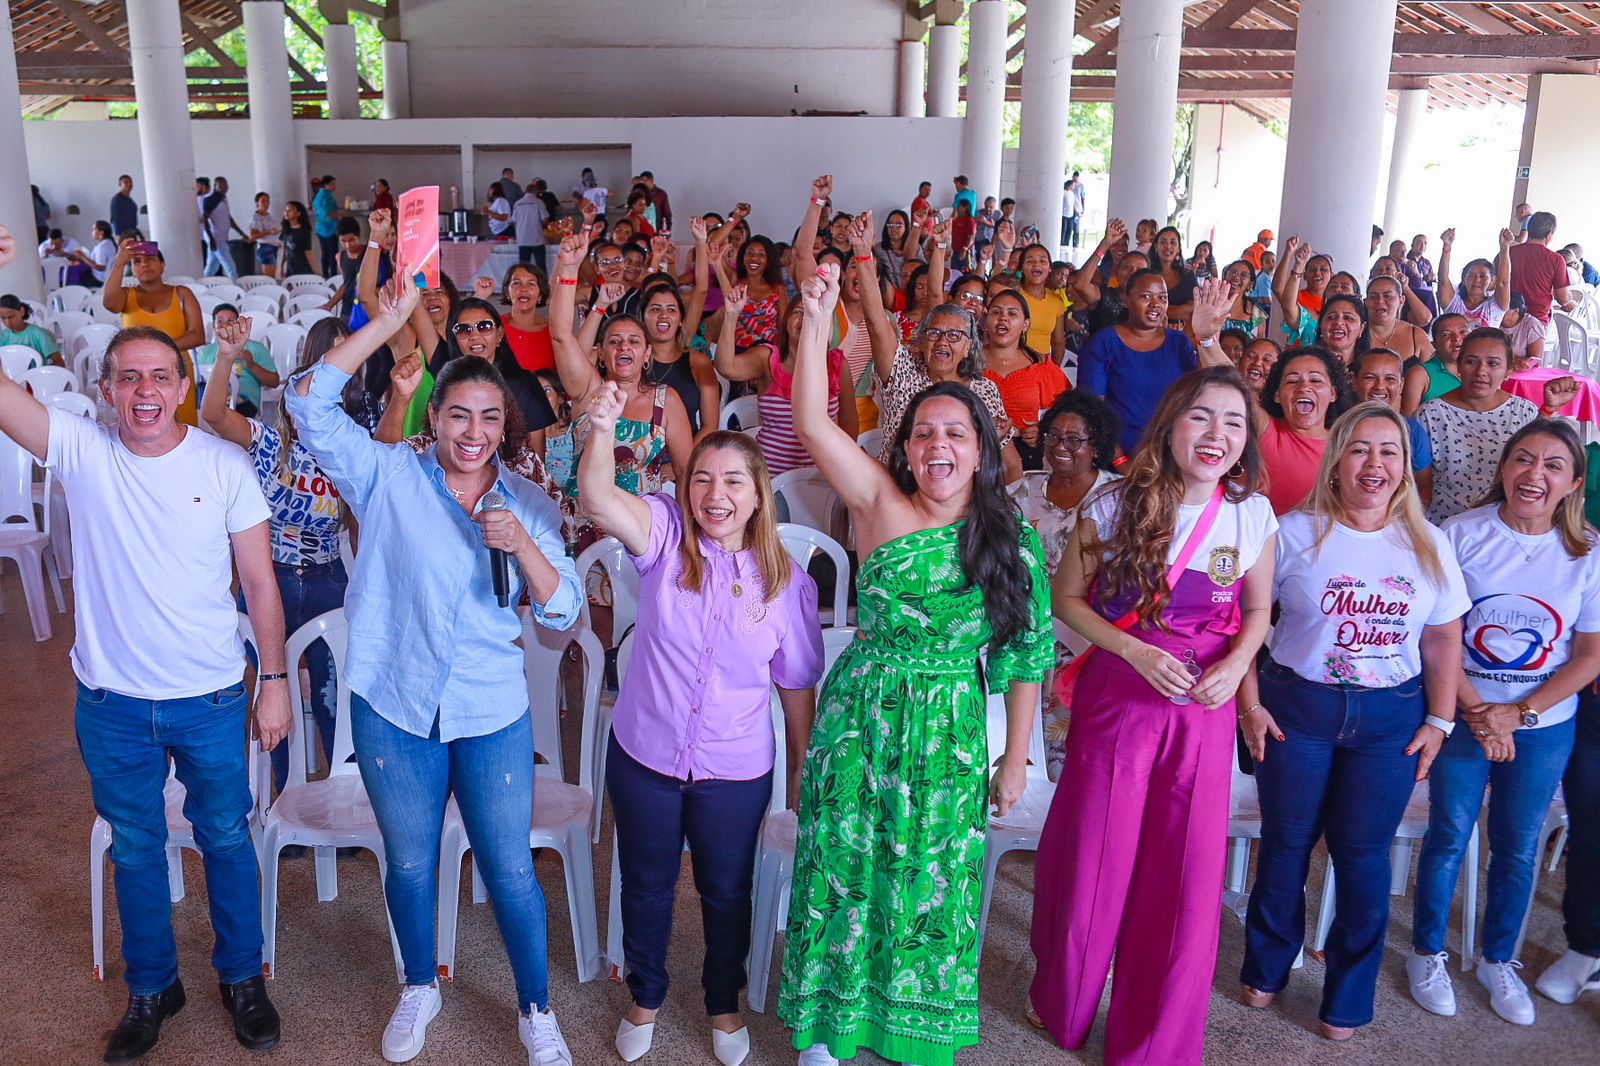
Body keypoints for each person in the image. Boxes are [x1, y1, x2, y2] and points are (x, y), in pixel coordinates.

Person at [285, 275, 582, 1065]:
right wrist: (382, 326)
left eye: (489, 417)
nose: (474, 431)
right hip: (394, 705)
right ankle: (420, 984)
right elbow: (309, 406)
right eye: (458, 414)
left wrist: (520, 545)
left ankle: (535, 1009)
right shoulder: (386, 475)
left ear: (503, 424)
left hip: (489, 712)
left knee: (511, 869)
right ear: (434, 416)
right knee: (411, 862)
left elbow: (564, 611)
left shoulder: (528, 503)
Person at [0, 254, 290, 1060]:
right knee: (135, 847)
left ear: (184, 382)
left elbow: (261, 587)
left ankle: (242, 978)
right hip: (113, 704)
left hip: (209, 698)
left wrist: (272, 683)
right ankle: (153, 987)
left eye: (160, 374)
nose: (145, 391)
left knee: (226, 839)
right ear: (106, 390)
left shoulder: (224, 467)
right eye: (128, 377)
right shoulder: (82, 451)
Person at [778, 261, 1051, 1066]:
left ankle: (912, 1032)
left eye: (955, 434)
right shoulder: (876, 501)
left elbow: (1028, 653)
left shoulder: (1011, 538)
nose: (937, 445)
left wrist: (1013, 762)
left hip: (952, 732)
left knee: (931, 881)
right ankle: (828, 1030)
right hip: (862, 716)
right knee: (845, 866)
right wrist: (817, 320)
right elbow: (811, 421)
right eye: (923, 433)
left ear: (981, 451)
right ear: (905, 446)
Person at [1031, 365, 1277, 1065]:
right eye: (1202, 417)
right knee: (1094, 855)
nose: (1217, 435)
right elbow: (1066, 602)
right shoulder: (1113, 506)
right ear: (1170, 424)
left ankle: (1154, 1041)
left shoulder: (1251, 513)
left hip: (1204, 710)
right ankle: (1066, 1004)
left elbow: (1256, 613)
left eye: (1234, 422)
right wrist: (1133, 652)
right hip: (1121, 701)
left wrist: (1234, 668)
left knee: (1185, 874)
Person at [579, 393, 823, 1066]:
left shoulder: (786, 585)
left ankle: (723, 1003)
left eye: (733, 481)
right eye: (703, 479)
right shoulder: (662, 536)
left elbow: (795, 684)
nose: (716, 494)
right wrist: (601, 431)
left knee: (726, 889)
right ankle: (645, 995)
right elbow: (599, 497)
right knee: (646, 882)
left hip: (735, 769)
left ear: (757, 495)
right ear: (686, 490)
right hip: (646, 755)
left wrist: (801, 771)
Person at [1238, 401, 1469, 1042]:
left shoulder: (1429, 543)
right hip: (1297, 711)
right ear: (1335, 459)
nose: (1374, 464)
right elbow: (1245, 626)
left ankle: (1346, 995)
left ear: (1404, 466)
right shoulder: (1289, 532)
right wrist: (1249, 703)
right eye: (1360, 449)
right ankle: (1266, 966)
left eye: (1389, 451)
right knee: (1284, 848)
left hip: (1389, 720)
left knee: (1363, 857)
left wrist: (1441, 721)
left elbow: (1444, 638)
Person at [1407, 420, 1600, 1027]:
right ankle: (1427, 951)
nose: (1534, 475)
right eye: (1523, 460)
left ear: (1572, 484)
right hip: (1463, 711)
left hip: (1543, 726)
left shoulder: (1587, 552)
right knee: (1449, 835)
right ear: (1503, 468)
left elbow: (1590, 654)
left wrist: (1519, 714)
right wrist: (1478, 712)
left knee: (1516, 847)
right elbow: (1439, 633)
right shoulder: (1459, 535)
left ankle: (1498, 959)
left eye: (1551, 466)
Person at [199, 315, 344, 795]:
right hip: (272, 579)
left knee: (330, 697)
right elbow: (214, 414)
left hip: (328, 580)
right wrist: (227, 357)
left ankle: (338, 793)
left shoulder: (346, 450)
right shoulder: (268, 444)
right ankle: (283, 791)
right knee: (270, 687)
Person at [851, 219, 1022, 482]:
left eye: (954, 335)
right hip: (899, 498)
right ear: (920, 342)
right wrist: (863, 255)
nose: (943, 341)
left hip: (960, 507)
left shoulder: (984, 391)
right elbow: (876, 322)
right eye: (934, 333)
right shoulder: (903, 374)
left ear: (968, 348)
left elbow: (1011, 466)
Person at [550, 231, 691, 547]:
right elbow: (561, 335)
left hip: (642, 531)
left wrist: (688, 540)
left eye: (634, 341)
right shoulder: (589, 391)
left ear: (646, 354)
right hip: (583, 529)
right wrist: (568, 269)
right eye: (614, 341)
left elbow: (685, 472)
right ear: (600, 354)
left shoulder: (666, 400)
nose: (624, 346)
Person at [1009, 390, 1122, 778]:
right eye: (1053, 436)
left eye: (1075, 440)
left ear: (1096, 447)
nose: (1060, 447)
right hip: (1029, 632)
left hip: (1090, 637)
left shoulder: (1119, 499)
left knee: (1083, 754)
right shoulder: (1021, 493)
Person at [1077, 271, 1233, 456]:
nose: (1156, 303)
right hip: (1119, 460)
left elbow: (1211, 390)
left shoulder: (1178, 343)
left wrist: (1207, 338)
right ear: (1126, 300)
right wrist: (1120, 462)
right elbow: (1093, 413)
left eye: (1163, 298)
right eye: (1146, 296)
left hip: (1172, 457)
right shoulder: (1103, 343)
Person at [714, 283, 857, 475]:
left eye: (812, 313)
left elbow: (849, 421)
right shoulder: (766, 358)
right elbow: (726, 368)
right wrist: (731, 316)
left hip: (821, 477)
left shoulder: (837, 364)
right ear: (787, 320)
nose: (805, 318)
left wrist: (843, 468)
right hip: (770, 477)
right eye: (798, 312)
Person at [1416, 328, 1556, 523]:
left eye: (1493, 364)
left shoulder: (1524, 412)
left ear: (1508, 370)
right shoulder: (1430, 414)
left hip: (1506, 526)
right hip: (1446, 524)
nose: (1481, 371)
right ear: (1459, 366)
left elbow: (1539, 467)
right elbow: (1421, 484)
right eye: (1472, 362)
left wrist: (1549, 409)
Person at [102, 239, 206, 426]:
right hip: (135, 371)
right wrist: (119, 263)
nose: (144, 265)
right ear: (131, 269)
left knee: (181, 422)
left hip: (176, 368)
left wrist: (159, 350)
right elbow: (109, 303)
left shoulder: (182, 293)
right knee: (143, 420)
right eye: (137, 262)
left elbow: (198, 335)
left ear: (162, 265)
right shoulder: (126, 296)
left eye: (150, 259)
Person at [1252, 346, 1356, 515]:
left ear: (1333, 393)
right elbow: (1234, 389)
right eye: (1292, 381)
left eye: (1315, 381)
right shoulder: (1266, 430)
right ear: (1277, 395)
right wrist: (1207, 341)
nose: (1304, 387)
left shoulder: (1346, 447)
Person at [982, 289, 1069, 470]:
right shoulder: (968, 362)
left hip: (1026, 456)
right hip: (976, 451)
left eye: (1012, 313)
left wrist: (1044, 428)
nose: (1003, 318)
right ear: (985, 321)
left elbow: (1068, 408)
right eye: (996, 312)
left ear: (1025, 324)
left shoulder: (1040, 364)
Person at [1352, 348, 1434, 509]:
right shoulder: (1338, 427)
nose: (1380, 386)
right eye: (1370, 378)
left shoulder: (1412, 431)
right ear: (1354, 381)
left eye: (1390, 379)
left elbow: (1424, 487)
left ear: (1401, 384)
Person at [1509, 211, 1576, 363]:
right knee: (1530, 366)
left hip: (1506, 318)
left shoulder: (1508, 252)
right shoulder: (1555, 259)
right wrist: (1570, 302)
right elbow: (1563, 298)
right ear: (1549, 234)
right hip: (1536, 321)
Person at [192, 304, 280, 418]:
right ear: (214, 325)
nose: (225, 325)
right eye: (220, 321)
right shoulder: (205, 352)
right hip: (212, 403)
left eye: (231, 321)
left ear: (238, 325)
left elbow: (274, 382)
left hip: (245, 403)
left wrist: (251, 364)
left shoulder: (256, 348)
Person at [1403, 311, 1469, 417]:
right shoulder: (1420, 375)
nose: (1457, 338)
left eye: (1463, 332)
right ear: (1434, 344)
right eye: (1446, 334)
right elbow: (1409, 425)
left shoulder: (1483, 371)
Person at [1018, 242, 1070, 363]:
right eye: (1030, 261)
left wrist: (1053, 372)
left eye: (1042, 261)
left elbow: (1058, 342)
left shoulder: (1056, 301)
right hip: (1013, 366)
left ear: (1050, 268)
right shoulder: (1013, 296)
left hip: (1042, 368)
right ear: (1021, 268)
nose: (1037, 265)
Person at [1364, 276, 1433, 363]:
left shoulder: (1417, 336)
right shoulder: (1355, 334)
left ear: (1401, 301)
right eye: (1374, 296)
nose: (1380, 301)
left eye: (1387, 296)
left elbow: (1435, 374)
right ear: (1366, 302)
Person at [1151, 226, 1198, 326]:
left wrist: (1157, 311)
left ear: (1178, 249)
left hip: (1181, 332)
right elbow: (1142, 308)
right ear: (1156, 247)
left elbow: (1193, 308)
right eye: (1163, 242)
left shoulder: (1188, 276)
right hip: (1149, 329)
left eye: (1173, 242)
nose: (1168, 246)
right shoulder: (1147, 275)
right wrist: (1180, 310)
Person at [201, 177, 246, 281]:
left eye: (225, 185)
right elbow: (205, 219)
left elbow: (228, 218)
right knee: (229, 265)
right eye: (220, 185)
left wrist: (241, 233)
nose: (224, 187)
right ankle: (238, 288)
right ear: (215, 186)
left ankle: (202, 285)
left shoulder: (223, 199)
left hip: (221, 236)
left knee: (212, 266)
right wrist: (211, 238)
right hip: (215, 238)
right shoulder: (210, 199)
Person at [0, 294, 61, 365]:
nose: (7, 323)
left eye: (12, 317)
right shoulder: (3, 337)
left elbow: (59, 362)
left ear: (22, 312)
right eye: (3, 318)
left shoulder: (39, 334)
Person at [512, 186, 551, 271]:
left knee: (523, 266)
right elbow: (544, 220)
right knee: (540, 265)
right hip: (536, 239)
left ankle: (524, 282)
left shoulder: (517, 203)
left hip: (522, 239)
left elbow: (514, 222)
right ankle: (542, 283)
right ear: (535, 192)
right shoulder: (538, 202)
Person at [312, 175, 342, 278]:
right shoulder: (325, 196)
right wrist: (340, 215)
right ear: (326, 185)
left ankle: (325, 275)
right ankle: (332, 276)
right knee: (332, 254)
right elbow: (327, 214)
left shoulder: (319, 195)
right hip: (329, 229)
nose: (334, 186)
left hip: (321, 229)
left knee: (325, 253)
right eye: (332, 184)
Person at [248, 193, 281, 277]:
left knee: (275, 275)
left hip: (275, 246)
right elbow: (252, 236)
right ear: (257, 203)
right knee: (270, 278)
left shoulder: (270, 216)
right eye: (263, 201)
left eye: (267, 201)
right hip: (266, 248)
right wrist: (268, 232)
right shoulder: (255, 218)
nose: (266, 203)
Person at [280, 200, 315, 278]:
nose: (286, 212)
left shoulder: (304, 231)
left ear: (298, 213)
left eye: (290, 210)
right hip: (290, 268)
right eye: (285, 210)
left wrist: (314, 272)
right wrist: (281, 266)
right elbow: (284, 249)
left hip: (303, 268)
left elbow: (308, 253)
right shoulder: (286, 229)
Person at [110, 174, 139, 238]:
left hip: (132, 232)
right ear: (120, 184)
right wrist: (120, 236)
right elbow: (115, 219)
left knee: (150, 247)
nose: (129, 184)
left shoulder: (130, 200)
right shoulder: (117, 199)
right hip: (123, 235)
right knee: (150, 247)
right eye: (125, 182)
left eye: (130, 182)